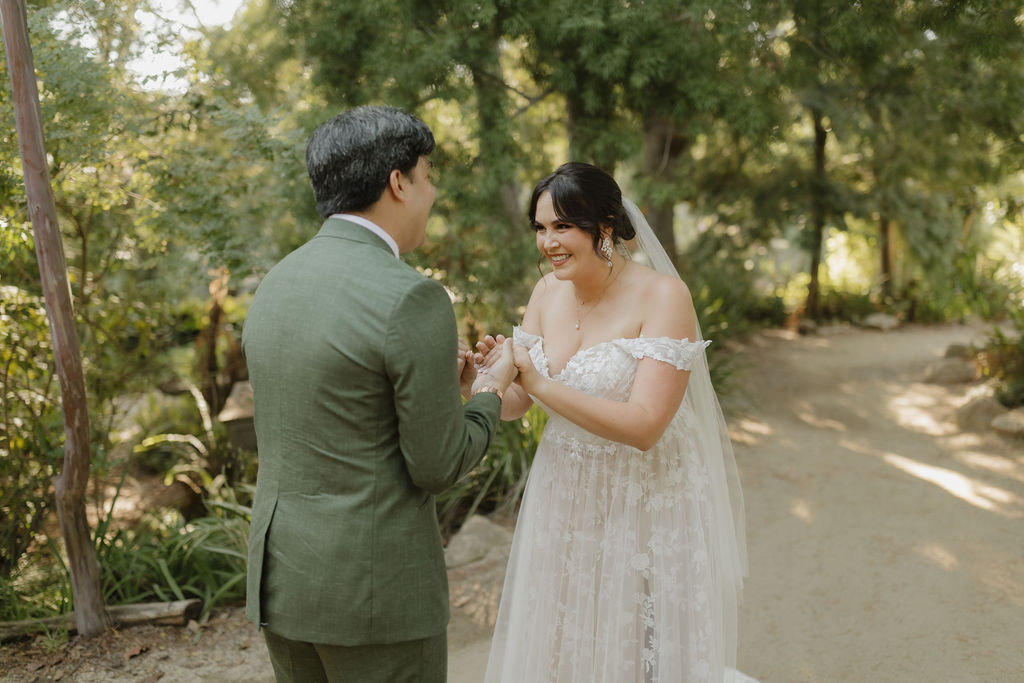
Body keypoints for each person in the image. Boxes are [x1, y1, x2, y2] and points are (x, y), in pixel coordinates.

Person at [241, 105, 517, 683]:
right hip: (374, 595)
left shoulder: (276, 283)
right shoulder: (410, 297)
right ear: (398, 182)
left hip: (283, 583)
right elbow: (437, 465)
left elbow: (340, 413)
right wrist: (489, 391)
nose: (432, 193)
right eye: (428, 175)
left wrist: (446, 391)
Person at [477, 162, 750, 682]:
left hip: (646, 493)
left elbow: (646, 425)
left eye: (563, 226)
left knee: (640, 638)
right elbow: (518, 402)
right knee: (568, 632)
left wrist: (535, 381)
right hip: (566, 487)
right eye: (540, 227)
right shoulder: (545, 294)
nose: (548, 242)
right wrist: (484, 382)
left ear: (604, 225)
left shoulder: (663, 297)